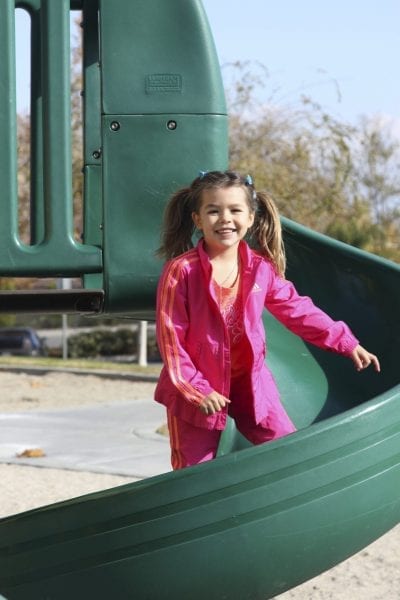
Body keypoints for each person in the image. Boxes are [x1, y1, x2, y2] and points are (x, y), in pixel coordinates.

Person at [155, 170, 380, 470]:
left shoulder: (260, 269)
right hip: (198, 388)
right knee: (193, 473)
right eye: (213, 211)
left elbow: (298, 309)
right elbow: (172, 340)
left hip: (251, 385)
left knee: (287, 453)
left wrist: (345, 341)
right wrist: (198, 391)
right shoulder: (182, 272)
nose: (225, 219)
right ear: (198, 219)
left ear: (250, 218)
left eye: (235, 210)